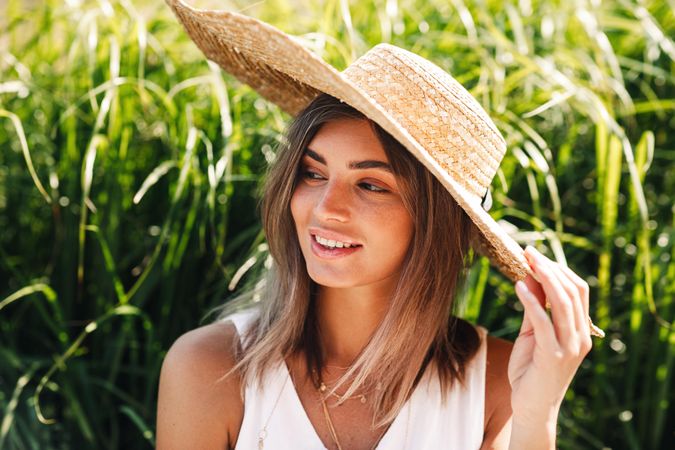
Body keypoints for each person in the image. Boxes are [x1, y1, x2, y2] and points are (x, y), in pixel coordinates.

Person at [157, 2, 605, 449]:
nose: (326, 208)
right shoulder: (210, 369)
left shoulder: (501, 386)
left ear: (437, 222)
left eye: (371, 185)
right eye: (313, 173)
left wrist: (537, 416)